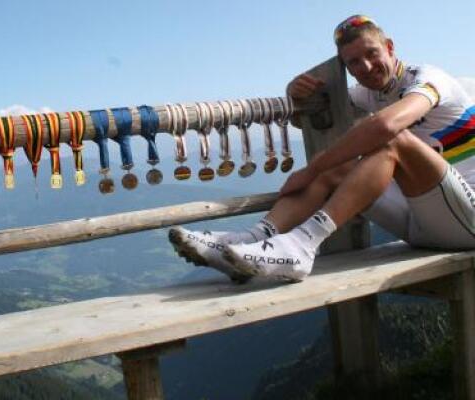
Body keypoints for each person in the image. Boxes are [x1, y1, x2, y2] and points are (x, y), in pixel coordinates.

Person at [169, 15, 475, 284]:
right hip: (419, 224)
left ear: (390, 47)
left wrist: (310, 170)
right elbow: (315, 115)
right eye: (354, 62)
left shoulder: (429, 79)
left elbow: (385, 127)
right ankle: (246, 242)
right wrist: (294, 91)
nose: (366, 66)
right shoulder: (370, 94)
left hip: (467, 222)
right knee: (333, 166)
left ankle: (302, 244)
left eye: (372, 53)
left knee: (390, 141)